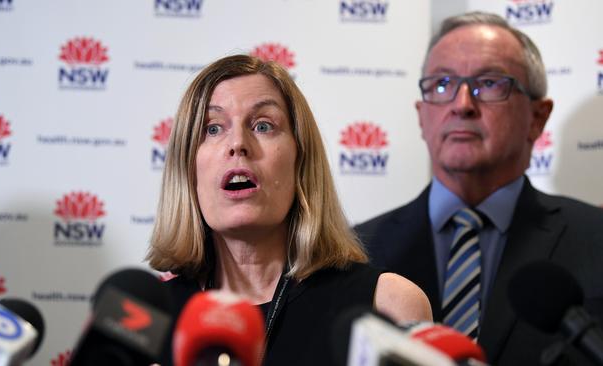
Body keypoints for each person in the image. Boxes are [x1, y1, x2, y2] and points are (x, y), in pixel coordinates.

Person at [147, 54, 432, 366]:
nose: (238, 143)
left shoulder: (388, 306)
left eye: (263, 125)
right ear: (188, 167)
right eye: (213, 128)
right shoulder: (147, 316)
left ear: (301, 160)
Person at [355, 11, 603, 366]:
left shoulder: (596, 238)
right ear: (421, 115)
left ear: (538, 117)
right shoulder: (354, 253)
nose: (462, 105)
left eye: (489, 84)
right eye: (442, 85)